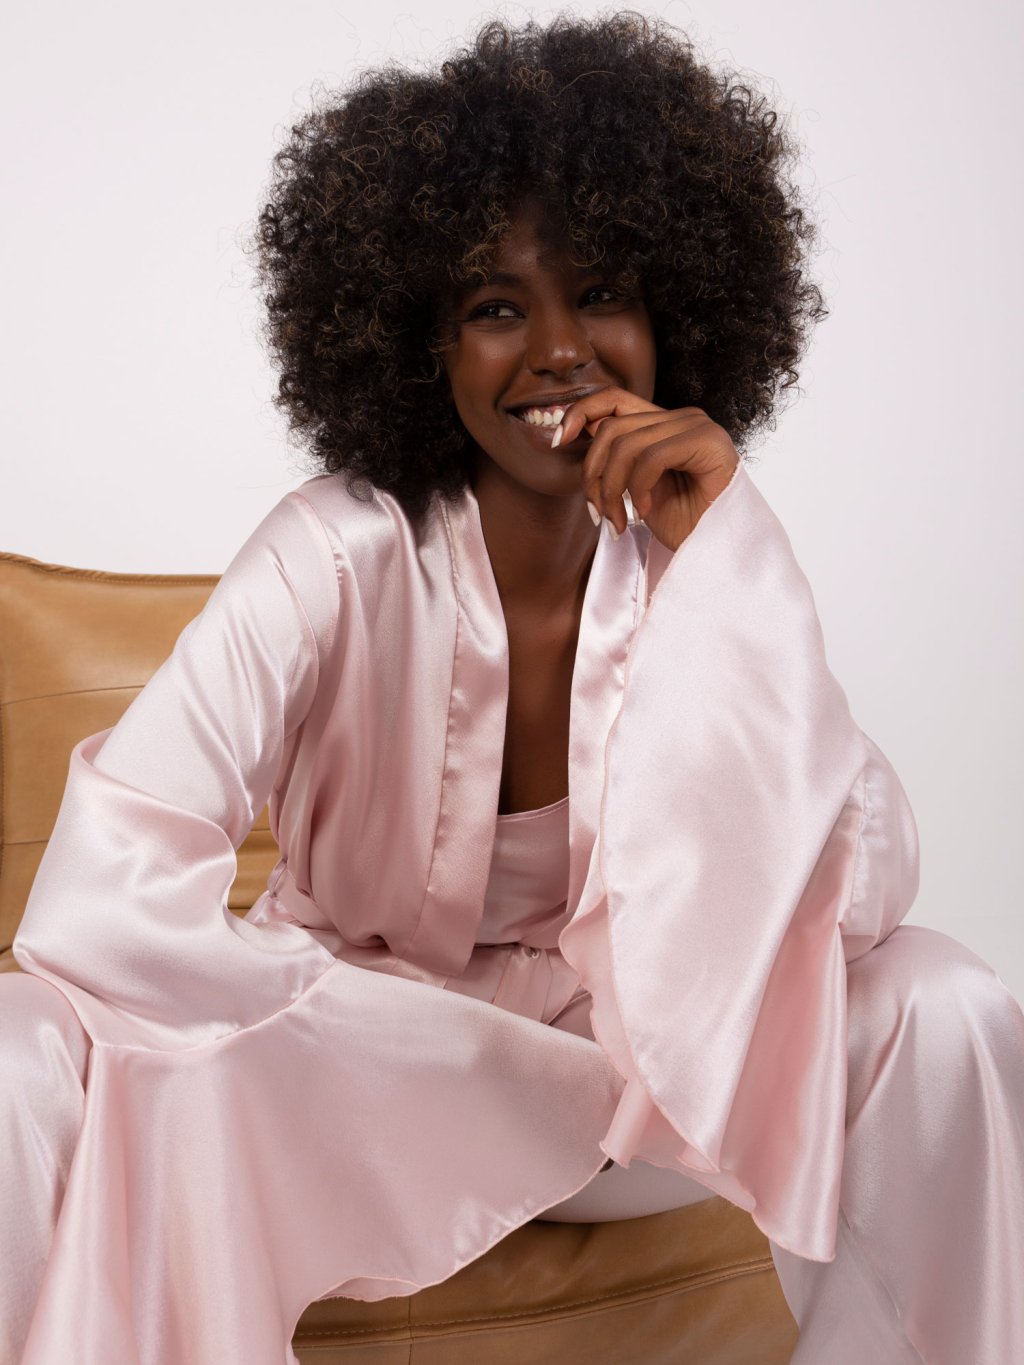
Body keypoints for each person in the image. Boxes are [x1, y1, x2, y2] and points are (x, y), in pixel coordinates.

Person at [2, 12, 1022, 1364]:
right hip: (356, 1077)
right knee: (18, 1041)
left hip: (632, 1087)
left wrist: (725, 559)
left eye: (601, 292)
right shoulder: (334, 552)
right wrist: (270, 1023)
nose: (558, 349)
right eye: (495, 307)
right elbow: (111, 873)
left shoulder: (700, 566)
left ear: (675, 318)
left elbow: (856, 897)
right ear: (420, 344)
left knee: (946, 999)